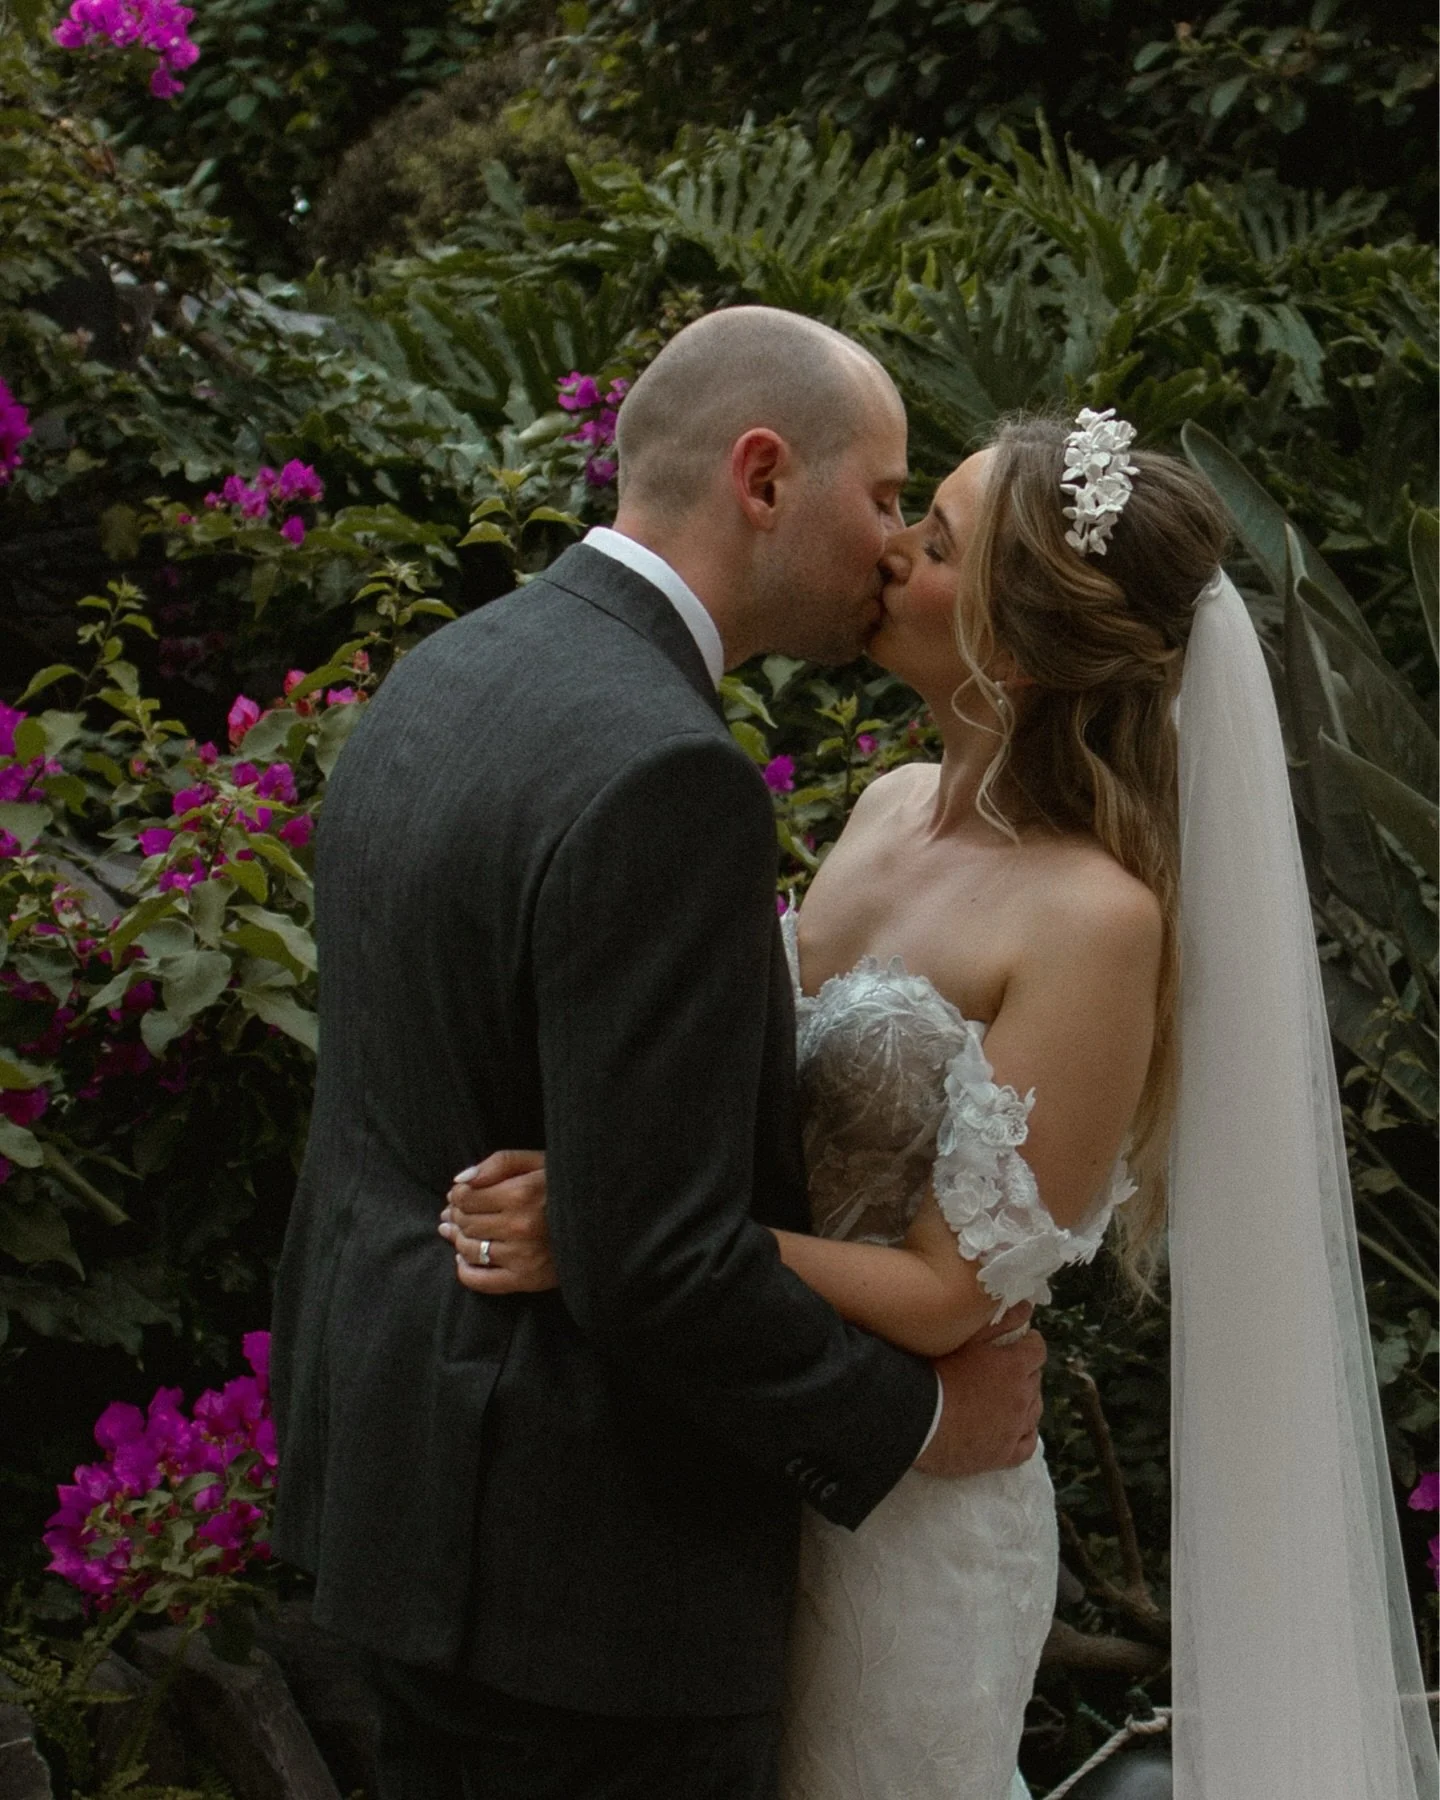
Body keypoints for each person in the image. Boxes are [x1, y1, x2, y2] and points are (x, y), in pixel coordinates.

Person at [450, 408, 1437, 1799]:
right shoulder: (886, 806)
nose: (888, 555)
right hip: (757, 1440)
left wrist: (616, 1227)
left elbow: (942, 1296)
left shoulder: (1095, 920)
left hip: (910, 1520)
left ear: (1018, 650)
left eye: (935, 542)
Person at [267, 305, 1049, 1800]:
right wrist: (922, 1422)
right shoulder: (669, 772)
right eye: (884, 495)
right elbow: (662, 1261)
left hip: (405, 1498)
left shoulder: (451, 672)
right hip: (590, 1587)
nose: (894, 546)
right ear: (764, 476)